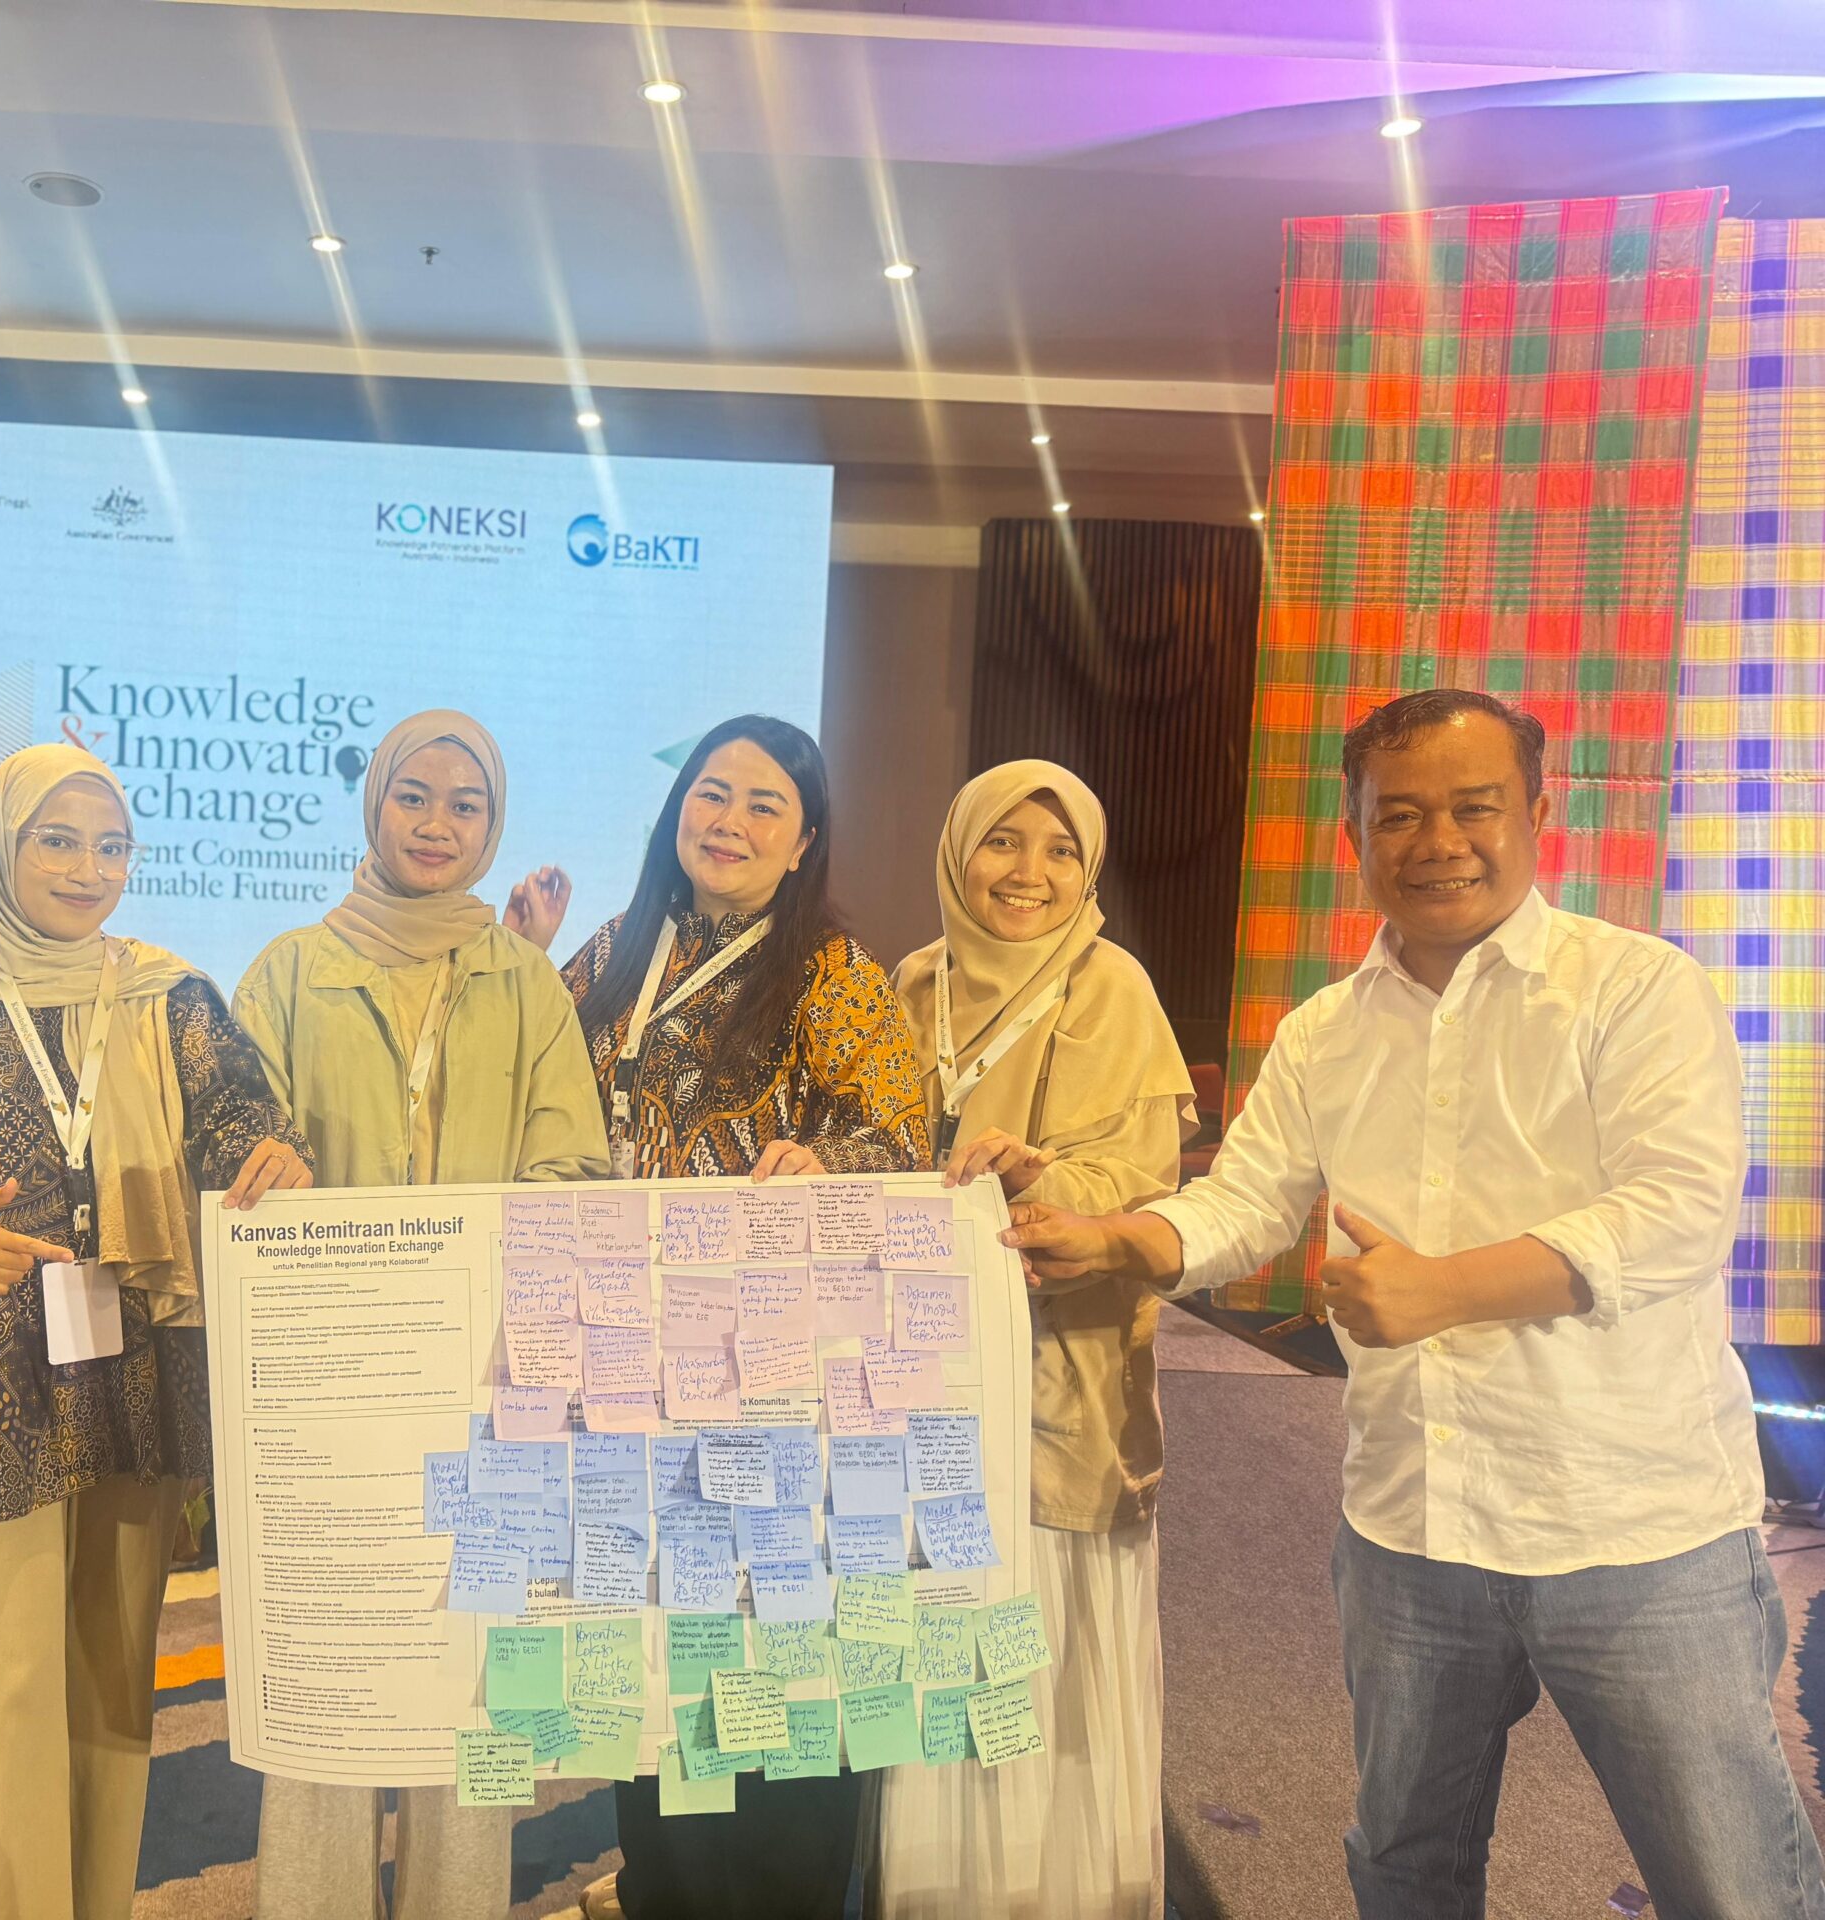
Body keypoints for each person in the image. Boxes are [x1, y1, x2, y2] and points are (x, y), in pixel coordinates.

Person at [1006, 688, 1825, 1920]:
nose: (1437, 840)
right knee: (1404, 1866)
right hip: (1411, 1525)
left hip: (1635, 1527)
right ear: (1356, 837)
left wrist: (1442, 1290)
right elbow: (1245, 1204)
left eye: (1472, 807)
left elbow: (1676, 1212)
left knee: (1732, 1879)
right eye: (1398, 816)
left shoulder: (1634, 989)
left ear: (1537, 814)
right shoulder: (1326, 1031)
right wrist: (1117, 1238)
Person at [0, 743, 313, 1920]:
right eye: (56, 840)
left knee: (110, 1685)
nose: (86, 869)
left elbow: (242, 1131)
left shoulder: (174, 1000)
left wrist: (277, 1159)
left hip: (139, 1375)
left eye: (111, 846)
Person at [236, 708, 613, 1920]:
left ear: (492, 826)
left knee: (473, 1709)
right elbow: (237, 1144)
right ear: (374, 806)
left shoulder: (526, 984)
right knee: (327, 1704)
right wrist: (263, 1166)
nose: (437, 824)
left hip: (481, 1396)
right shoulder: (287, 972)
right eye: (414, 796)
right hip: (331, 1402)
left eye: (467, 804)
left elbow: (572, 1166)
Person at [566, 714, 931, 1920]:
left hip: (772, 1386)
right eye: (711, 793)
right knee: (664, 1683)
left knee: (781, 1678)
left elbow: (903, 1136)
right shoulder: (614, 951)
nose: (728, 821)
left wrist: (828, 1163)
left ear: (804, 840)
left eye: (764, 804)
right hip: (634, 1377)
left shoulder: (831, 970)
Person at [873, 761, 1193, 1920]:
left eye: (1060, 850)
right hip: (920, 1371)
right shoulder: (913, 980)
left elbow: (1142, 1180)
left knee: (1042, 1666)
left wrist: (1036, 1175)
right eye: (1002, 842)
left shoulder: (1111, 988)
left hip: (1058, 1378)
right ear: (958, 851)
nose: (1029, 873)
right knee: (931, 1638)